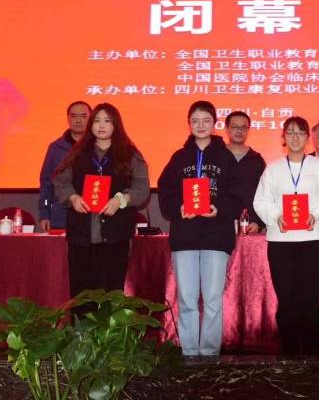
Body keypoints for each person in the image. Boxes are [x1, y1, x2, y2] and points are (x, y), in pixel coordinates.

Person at [157, 101, 240, 357]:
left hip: (217, 237)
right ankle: (190, 353)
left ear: (214, 123)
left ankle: (210, 354)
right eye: (195, 121)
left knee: (213, 299)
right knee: (187, 299)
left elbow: (238, 194)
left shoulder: (226, 157)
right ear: (189, 124)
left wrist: (219, 208)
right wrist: (179, 208)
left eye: (206, 120)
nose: (200, 125)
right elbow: (165, 189)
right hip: (185, 237)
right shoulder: (179, 158)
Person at [254, 116, 319, 355]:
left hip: (312, 240)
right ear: (283, 137)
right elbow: (261, 201)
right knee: (286, 298)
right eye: (290, 133)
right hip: (281, 242)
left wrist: (316, 214)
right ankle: (289, 352)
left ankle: (313, 352)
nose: (295, 137)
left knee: (310, 297)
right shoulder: (272, 169)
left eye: (300, 133)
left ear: (307, 138)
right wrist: (276, 216)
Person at [52, 103, 150, 298]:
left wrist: (121, 200)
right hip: (81, 236)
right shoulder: (77, 153)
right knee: (81, 295)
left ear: (116, 125)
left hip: (115, 235)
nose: (101, 125)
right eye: (96, 121)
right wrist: (72, 197)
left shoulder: (130, 154)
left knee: (111, 292)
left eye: (107, 121)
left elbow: (142, 188)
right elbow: (59, 180)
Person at [38, 101, 92, 232]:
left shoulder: (99, 146)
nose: (78, 120)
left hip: (92, 216)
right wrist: (44, 213)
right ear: (68, 119)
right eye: (74, 116)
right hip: (61, 217)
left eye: (83, 116)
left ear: (91, 118)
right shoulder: (56, 148)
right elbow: (46, 184)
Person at [224, 110, 267, 233]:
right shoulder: (217, 157)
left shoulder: (256, 160)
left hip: (249, 225)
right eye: (235, 127)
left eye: (243, 127)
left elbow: (263, 194)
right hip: (220, 224)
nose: (239, 131)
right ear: (226, 129)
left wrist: (257, 221)